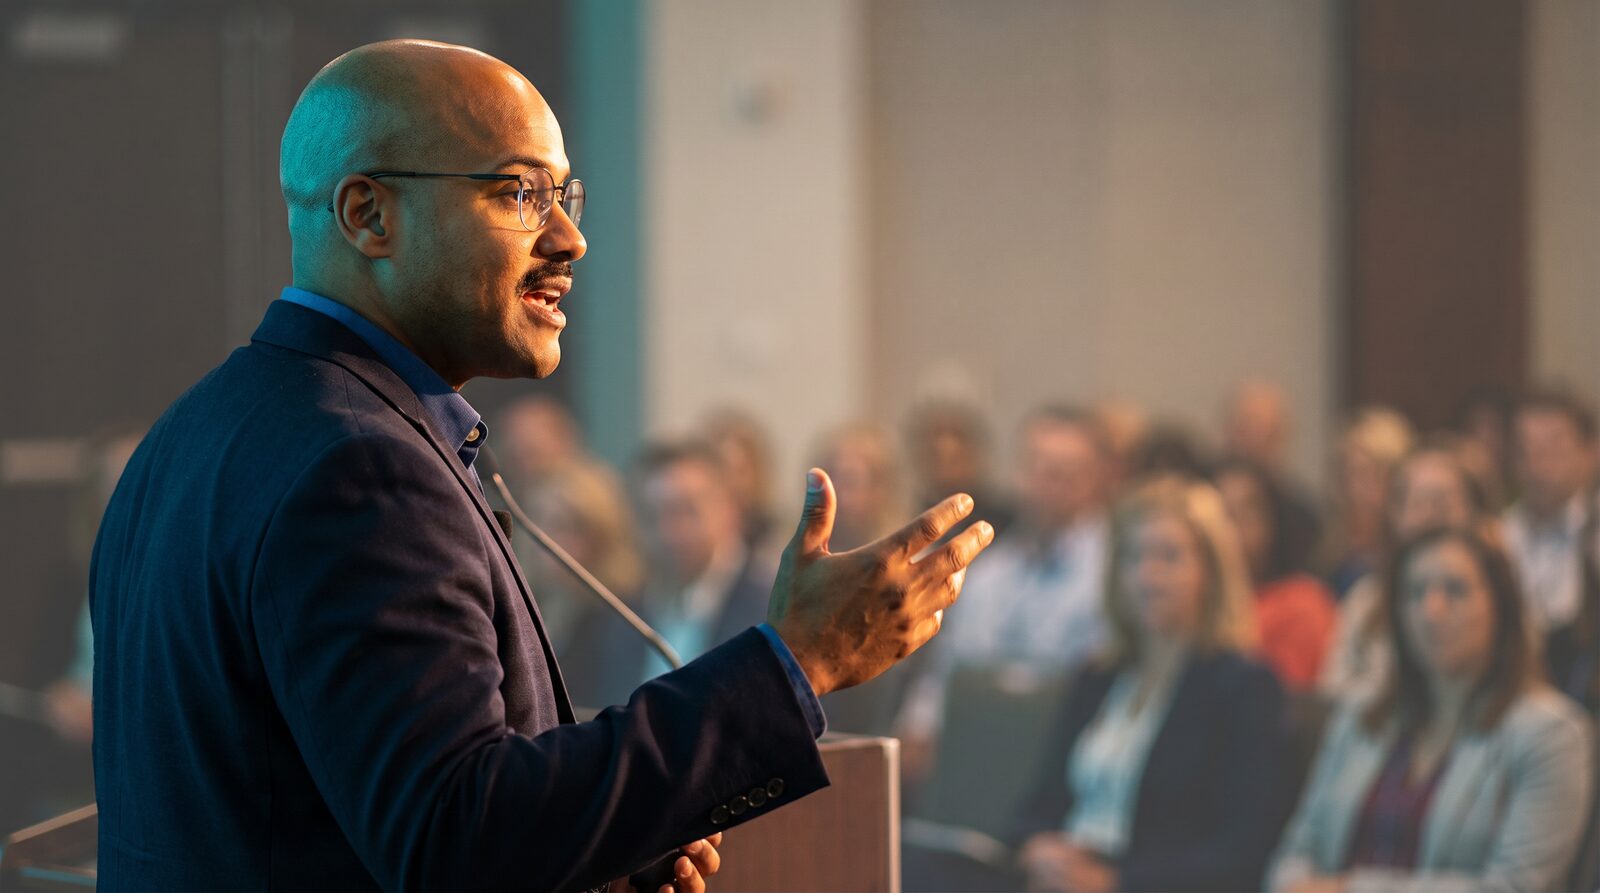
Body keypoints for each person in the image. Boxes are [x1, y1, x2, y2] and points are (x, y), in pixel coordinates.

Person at [88, 39, 993, 891]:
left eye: (567, 195)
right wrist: (799, 659)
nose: (569, 239)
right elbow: (456, 838)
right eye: (519, 193)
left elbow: (354, 807)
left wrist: (596, 845)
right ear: (369, 215)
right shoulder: (361, 468)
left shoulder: (193, 433)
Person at [1268, 527, 1594, 893]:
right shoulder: (1361, 715)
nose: (1431, 610)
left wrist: (1352, 889)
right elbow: (1296, 851)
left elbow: (1516, 886)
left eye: (1454, 591)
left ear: (1501, 605)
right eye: (1414, 592)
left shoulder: (1550, 734)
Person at [1013, 476, 1289, 893]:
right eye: (1133, 557)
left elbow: (1243, 850)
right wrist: (1037, 847)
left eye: (1169, 557)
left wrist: (1115, 882)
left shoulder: (1243, 687)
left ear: (1209, 572)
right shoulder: (1097, 676)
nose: (1148, 575)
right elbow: (1039, 804)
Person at [896, 406, 1114, 776]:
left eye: (1066, 472)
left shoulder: (1113, 575)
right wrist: (918, 724)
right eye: (1041, 468)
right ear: (1020, 473)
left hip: (1060, 755)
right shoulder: (990, 571)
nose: (1051, 483)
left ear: (1095, 479)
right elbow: (947, 667)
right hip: (976, 747)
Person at [1320, 440, 1490, 702]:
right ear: (1396, 516)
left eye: (1443, 502)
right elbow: (1332, 694)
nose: (1431, 516)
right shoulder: (1366, 599)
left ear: (1472, 514)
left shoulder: (1495, 595)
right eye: (1418, 503)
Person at [631, 441, 775, 681]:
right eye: (653, 515)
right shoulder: (628, 607)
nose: (667, 531)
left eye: (685, 511)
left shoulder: (770, 606)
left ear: (729, 508)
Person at [1213, 458, 1338, 692]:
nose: (1231, 527)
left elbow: (1287, 703)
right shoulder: (1197, 604)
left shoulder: (1302, 601)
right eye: (1222, 513)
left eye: (1246, 511)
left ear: (1273, 521)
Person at [1501, 388, 1597, 641]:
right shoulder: (1497, 534)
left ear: (1591, 453)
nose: (1537, 465)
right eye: (1525, 451)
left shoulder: (1594, 530)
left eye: (1553, 450)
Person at [1319, 408, 1415, 598]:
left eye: (1368, 474)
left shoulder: (1411, 552)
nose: (1355, 488)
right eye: (1348, 473)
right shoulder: (1329, 542)